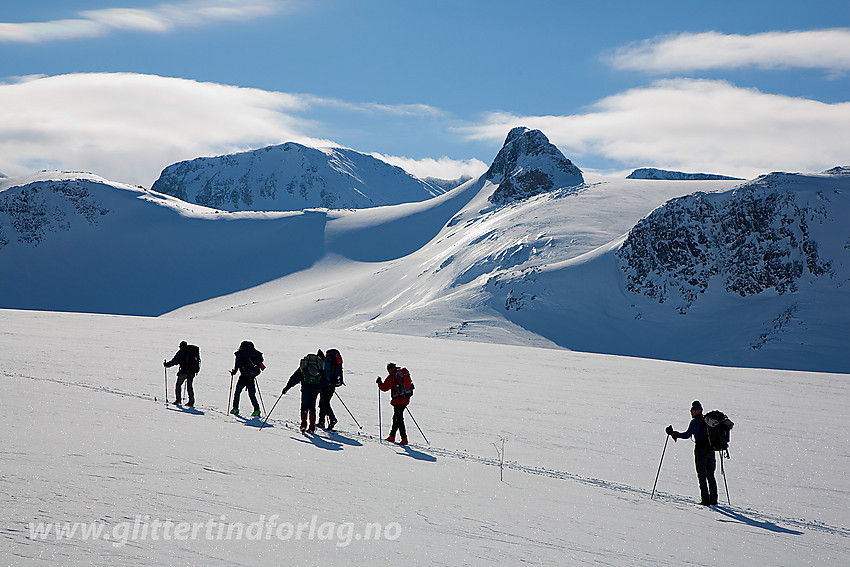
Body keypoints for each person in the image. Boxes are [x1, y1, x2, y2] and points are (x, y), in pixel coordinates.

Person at [666, 400, 718, 506]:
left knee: (702, 475)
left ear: (695, 411)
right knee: (711, 475)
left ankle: (705, 500)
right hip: (711, 450)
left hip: (701, 449)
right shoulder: (707, 421)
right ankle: (713, 500)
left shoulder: (695, 421)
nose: (691, 413)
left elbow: (687, 435)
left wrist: (674, 434)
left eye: (692, 411)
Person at [282, 350, 325, 432]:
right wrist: (321, 386)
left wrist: (287, 388)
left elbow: (295, 378)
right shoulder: (319, 366)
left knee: (304, 406)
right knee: (312, 407)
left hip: (305, 388)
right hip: (315, 389)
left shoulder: (304, 366)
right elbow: (324, 379)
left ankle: (303, 425)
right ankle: (312, 427)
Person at [377, 362, 410, 446]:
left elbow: (384, 388)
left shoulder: (392, 376)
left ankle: (404, 438)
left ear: (389, 369)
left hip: (398, 400)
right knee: (396, 418)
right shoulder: (401, 374)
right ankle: (392, 436)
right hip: (406, 398)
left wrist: (379, 383)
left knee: (399, 419)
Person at [230, 341, 264, 417]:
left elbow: (237, 366)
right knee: (252, 394)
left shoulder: (240, 354)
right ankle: (257, 410)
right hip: (251, 377)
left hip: (243, 377)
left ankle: (235, 408)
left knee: (237, 393)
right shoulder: (254, 354)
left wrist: (233, 372)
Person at [163, 341, 200, 406]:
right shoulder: (192, 352)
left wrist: (166, 365)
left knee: (178, 384)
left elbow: (174, 361)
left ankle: (178, 400)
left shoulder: (181, 352)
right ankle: (191, 401)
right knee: (189, 386)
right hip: (192, 372)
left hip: (184, 372)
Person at [318, 348, 344, 430]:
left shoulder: (326, 361)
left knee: (324, 402)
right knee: (324, 402)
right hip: (333, 384)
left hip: (325, 384)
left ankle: (331, 419)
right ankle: (322, 421)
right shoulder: (335, 363)